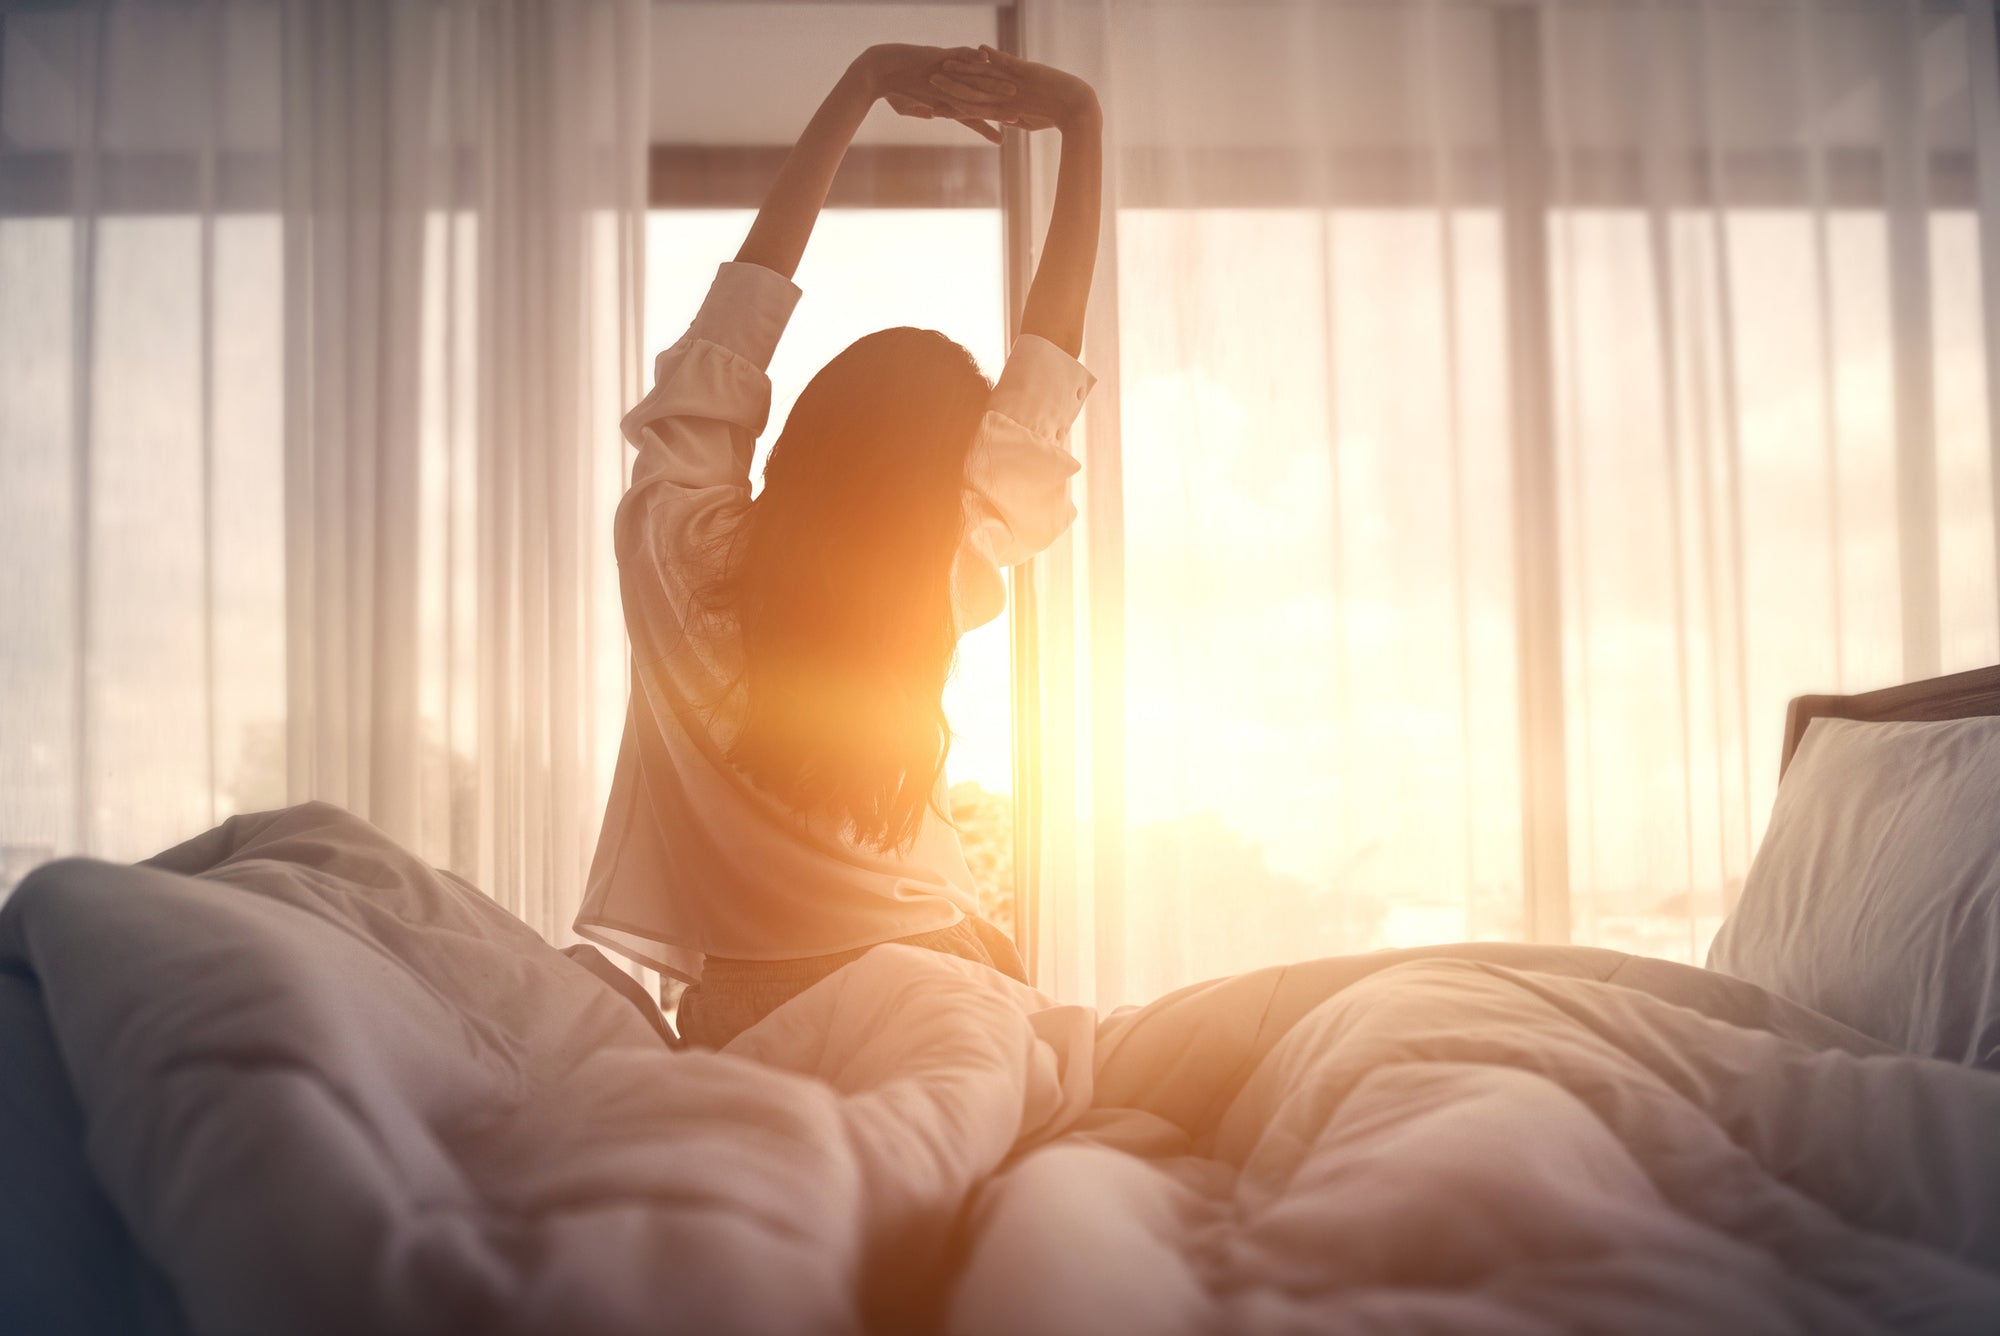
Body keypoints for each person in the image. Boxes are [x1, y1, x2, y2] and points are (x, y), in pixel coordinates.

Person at [573, 43, 1102, 1047]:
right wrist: (1079, 122)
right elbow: (1043, 373)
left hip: (742, 1007)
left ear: (804, 430)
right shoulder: (938, 571)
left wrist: (859, 86)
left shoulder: (669, 543)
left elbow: (732, 327)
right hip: (940, 975)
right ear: (940, 479)